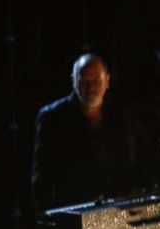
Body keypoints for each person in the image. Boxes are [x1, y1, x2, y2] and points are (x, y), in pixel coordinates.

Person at [31, 54, 149, 212]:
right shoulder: (53, 118)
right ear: (73, 81)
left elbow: (145, 155)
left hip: (121, 209)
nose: (90, 87)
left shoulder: (123, 113)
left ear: (107, 81)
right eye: (84, 81)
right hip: (76, 213)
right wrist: (51, 217)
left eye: (96, 81)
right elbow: (42, 175)